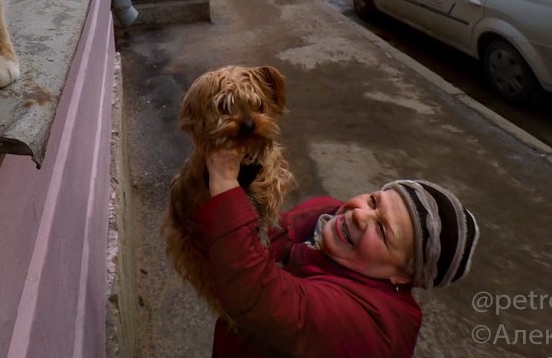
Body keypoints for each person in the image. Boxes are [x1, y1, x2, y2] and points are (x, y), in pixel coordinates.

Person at [194, 147, 479, 357]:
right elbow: (259, 240)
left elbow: (258, 294)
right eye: (373, 201)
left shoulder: (374, 328)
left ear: (403, 276)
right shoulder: (325, 220)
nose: (359, 215)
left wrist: (224, 180)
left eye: (382, 231)